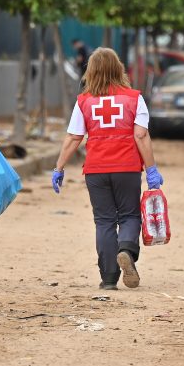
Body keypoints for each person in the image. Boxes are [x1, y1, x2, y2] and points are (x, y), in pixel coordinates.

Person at [51, 47, 163, 290]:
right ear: (119, 69)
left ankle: (109, 278)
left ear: (90, 72)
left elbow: (73, 138)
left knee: (103, 221)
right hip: (127, 167)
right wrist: (152, 169)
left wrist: (59, 167)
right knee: (130, 215)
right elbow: (141, 136)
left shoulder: (84, 101)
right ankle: (126, 251)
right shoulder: (135, 98)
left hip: (96, 169)